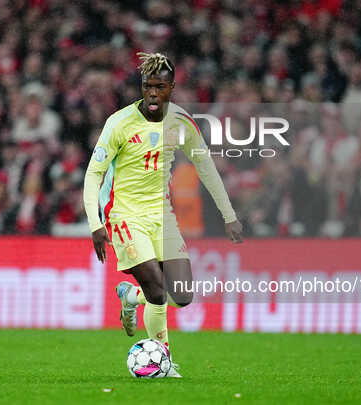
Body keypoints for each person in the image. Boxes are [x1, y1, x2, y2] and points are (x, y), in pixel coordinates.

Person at [83, 52, 243, 377]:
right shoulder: (119, 123)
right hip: (126, 216)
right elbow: (92, 175)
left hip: (163, 216)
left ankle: (131, 296)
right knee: (157, 290)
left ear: (172, 87)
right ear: (141, 87)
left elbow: (206, 168)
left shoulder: (181, 123)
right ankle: (163, 360)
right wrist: (96, 222)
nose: (153, 94)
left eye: (160, 87)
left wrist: (229, 215)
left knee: (182, 295)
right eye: (147, 86)